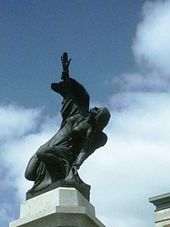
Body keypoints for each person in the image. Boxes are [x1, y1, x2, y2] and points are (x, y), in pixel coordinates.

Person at [25, 52, 110, 198]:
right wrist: (66, 74)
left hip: (63, 152)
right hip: (52, 143)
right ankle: (53, 179)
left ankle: (64, 174)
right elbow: (76, 93)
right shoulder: (78, 110)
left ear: (99, 117)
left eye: (97, 110)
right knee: (29, 173)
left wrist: (75, 166)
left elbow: (84, 150)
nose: (94, 109)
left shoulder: (90, 131)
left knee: (42, 153)